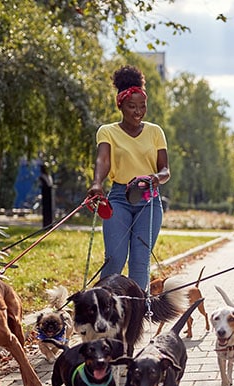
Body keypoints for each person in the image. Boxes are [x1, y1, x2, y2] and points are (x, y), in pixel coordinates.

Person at [86, 65, 171, 291]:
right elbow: (103, 160)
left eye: (142, 106)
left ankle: (135, 314)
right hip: (119, 198)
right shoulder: (108, 131)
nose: (138, 111)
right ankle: (104, 309)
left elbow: (165, 171)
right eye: (132, 106)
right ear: (120, 105)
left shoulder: (155, 132)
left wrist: (155, 177)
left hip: (149, 201)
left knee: (139, 262)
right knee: (114, 258)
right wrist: (96, 184)